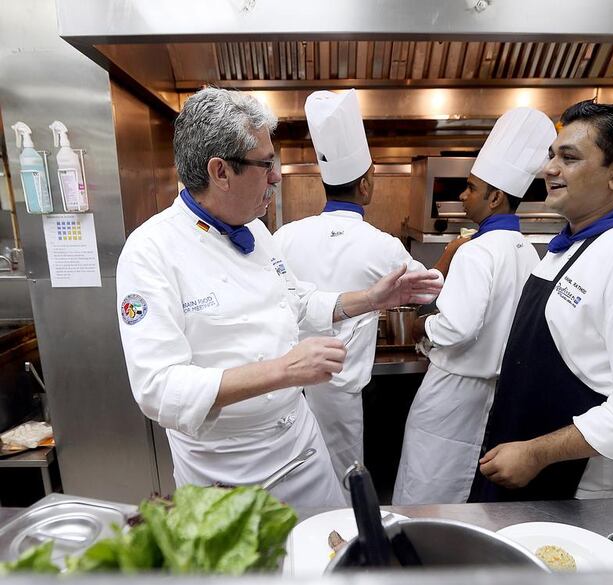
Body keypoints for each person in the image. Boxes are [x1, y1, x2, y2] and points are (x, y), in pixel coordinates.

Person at [115, 87, 441, 508]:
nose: (275, 176)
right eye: (266, 164)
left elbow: (297, 302)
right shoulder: (150, 251)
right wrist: (285, 370)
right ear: (220, 172)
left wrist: (372, 297)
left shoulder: (256, 232)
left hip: (300, 449)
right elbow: (158, 389)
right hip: (226, 472)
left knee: (329, 557)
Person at [470, 100, 613, 502]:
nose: (548, 169)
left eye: (569, 157)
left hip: (585, 491)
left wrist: (536, 452)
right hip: (530, 466)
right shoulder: (574, 243)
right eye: (551, 155)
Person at [273, 89, 446, 482]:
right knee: (346, 479)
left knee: (294, 476)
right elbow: (432, 288)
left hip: (288, 381)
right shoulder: (383, 245)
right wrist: (454, 250)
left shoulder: (285, 235)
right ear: (366, 184)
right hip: (341, 388)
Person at [392, 107, 556, 505]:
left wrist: (421, 327)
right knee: (464, 486)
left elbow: (456, 328)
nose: (463, 196)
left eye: (470, 188)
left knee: (426, 481)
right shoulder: (529, 251)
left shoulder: (476, 251)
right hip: (497, 392)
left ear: (495, 196)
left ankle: (415, 552)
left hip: (453, 389)